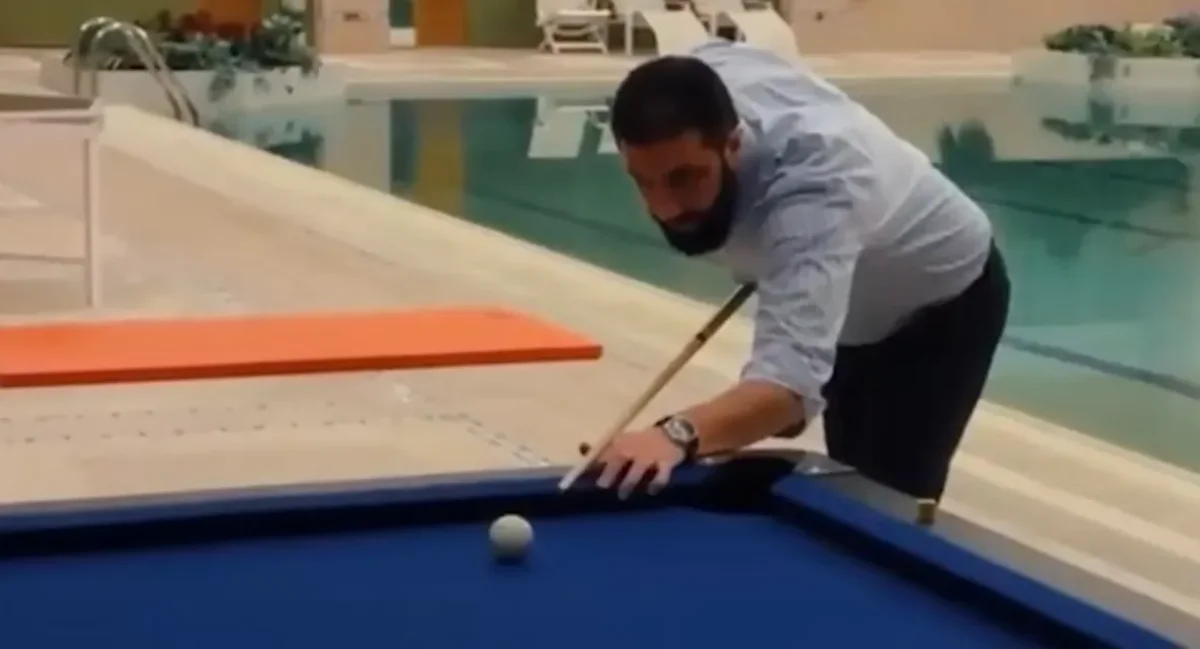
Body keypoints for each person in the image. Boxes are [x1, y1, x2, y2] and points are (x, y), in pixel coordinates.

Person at [589, 41, 1011, 502]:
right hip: (851, 299)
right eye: (643, 181)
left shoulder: (814, 196)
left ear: (733, 144)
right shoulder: (705, 73)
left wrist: (675, 434)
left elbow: (787, 389)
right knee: (835, 460)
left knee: (882, 499)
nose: (664, 208)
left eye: (684, 178)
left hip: (939, 307)